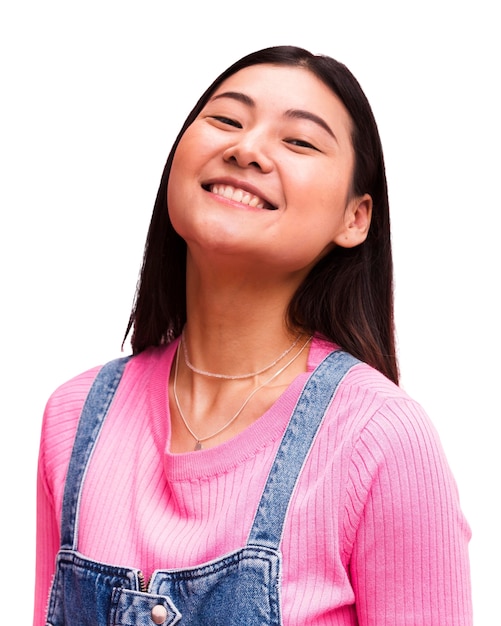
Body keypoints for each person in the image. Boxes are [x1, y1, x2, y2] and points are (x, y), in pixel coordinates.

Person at [34, 46, 472, 625]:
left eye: (300, 142)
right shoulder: (75, 417)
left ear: (355, 218)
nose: (246, 149)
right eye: (226, 120)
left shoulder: (380, 439)